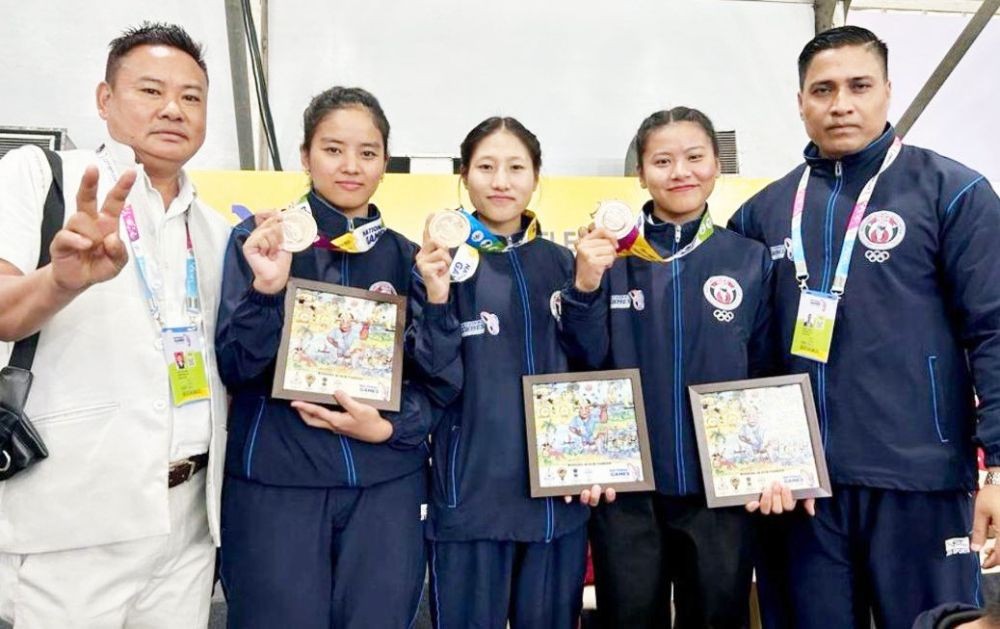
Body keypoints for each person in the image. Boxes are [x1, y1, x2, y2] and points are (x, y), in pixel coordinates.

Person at [729, 25, 1000, 629]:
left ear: (887, 92)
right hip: (799, 493)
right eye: (822, 90)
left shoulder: (953, 192)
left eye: (859, 85)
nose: (841, 103)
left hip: (919, 479)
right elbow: (737, 352)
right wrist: (756, 466)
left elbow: (995, 331)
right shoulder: (762, 212)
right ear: (800, 101)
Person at [0, 23, 231, 627]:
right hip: (72, 521)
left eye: (191, 97)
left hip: (188, 523)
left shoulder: (215, 230)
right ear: (105, 100)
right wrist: (60, 280)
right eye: (150, 91)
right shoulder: (41, 177)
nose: (173, 110)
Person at [215, 86, 432, 629]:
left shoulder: (409, 258)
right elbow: (234, 367)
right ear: (305, 154)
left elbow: (440, 384)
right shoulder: (261, 241)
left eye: (368, 152)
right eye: (333, 149)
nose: (351, 166)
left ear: (386, 161)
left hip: (385, 487)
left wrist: (389, 429)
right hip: (277, 485)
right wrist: (268, 293)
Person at [560, 107, 774, 628]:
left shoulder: (747, 258)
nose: (680, 172)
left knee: (718, 618)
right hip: (627, 490)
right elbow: (582, 361)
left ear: (716, 166)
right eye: (662, 160)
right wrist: (586, 286)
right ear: (640, 174)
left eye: (694, 157)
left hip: (720, 490)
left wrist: (771, 467)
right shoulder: (606, 258)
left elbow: (767, 372)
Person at [411, 116, 611, 628]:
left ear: (536, 177)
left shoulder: (565, 262)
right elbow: (432, 374)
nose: (501, 181)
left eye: (516, 167)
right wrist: (435, 298)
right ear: (464, 175)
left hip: (555, 500)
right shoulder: (438, 263)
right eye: (486, 167)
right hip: (469, 494)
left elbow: (593, 363)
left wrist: (586, 289)